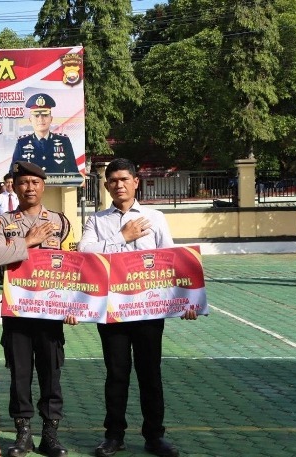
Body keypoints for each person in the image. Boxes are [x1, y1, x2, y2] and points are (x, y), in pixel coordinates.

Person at [78, 158, 197, 457]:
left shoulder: (155, 217)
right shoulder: (96, 220)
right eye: (113, 180)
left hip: (148, 310)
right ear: (106, 185)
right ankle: (113, 436)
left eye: (124, 179)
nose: (119, 185)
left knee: (150, 374)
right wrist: (123, 237)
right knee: (116, 374)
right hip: (112, 310)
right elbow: (85, 254)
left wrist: (187, 301)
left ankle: (155, 436)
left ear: (135, 182)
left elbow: (171, 259)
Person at [0, 161, 75, 457]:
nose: (30, 187)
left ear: (43, 185)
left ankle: (50, 434)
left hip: (50, 311)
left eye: (35, 182)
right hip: (18, 311)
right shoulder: (3, 222)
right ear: (15, 186)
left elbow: (73, 264)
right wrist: (29, 240)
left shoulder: (61, 222)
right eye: (24, 182)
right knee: (19, 373)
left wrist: (74, 304)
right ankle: (23, 433)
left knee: (51, 372)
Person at [11, 93, 78, 175]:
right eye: (36, 116)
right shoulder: (22, 143)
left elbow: (73, 171)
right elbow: (14, 171)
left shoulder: (64, 141)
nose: (41, 119)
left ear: (51, 119)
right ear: (30, 119)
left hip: (57, 187)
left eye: (45, 115)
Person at [0, 173, 19, 283]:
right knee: (2, 253)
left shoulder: (19, 197)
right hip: (2, 230)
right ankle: (2, 277)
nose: (10, 185)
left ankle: (14, 277)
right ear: (4, 184)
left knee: (15, 253)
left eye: (12, 182)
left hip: (16, 230)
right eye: (8, 182)